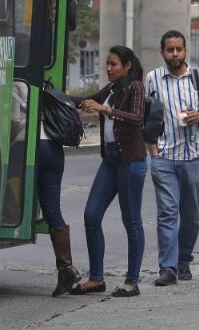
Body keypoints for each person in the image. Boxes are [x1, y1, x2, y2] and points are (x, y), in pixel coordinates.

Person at [69, 46, 148, 297]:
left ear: (127, 66)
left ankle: (132, 281)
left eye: (114, 64)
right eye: (107, 64)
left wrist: (105, 109)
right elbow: (85, 101)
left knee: (131, 221)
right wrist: (53, 95)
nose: (109, 68)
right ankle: (96, 278)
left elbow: (137, 118)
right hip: (110, 161)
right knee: (91, 216)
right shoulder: (111, 89)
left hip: (131, 162)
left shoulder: (135, 86)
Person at [146, 30, 199, 286]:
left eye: (179, 49)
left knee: (191, 215)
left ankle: (183, 260)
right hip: (164, 157)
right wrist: (153, 153)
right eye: (170, 50)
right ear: (163, 52)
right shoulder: (153, 79)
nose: (175, 54)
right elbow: (147, 118)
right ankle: (167, 268)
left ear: (185, 50)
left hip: (195, 157)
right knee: (167, 213)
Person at [37, 121, 80, 296]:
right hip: (54, 149)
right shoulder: (47, 92)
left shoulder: (20, 91)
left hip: (33, 145)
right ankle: (66, 269)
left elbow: (16, 120)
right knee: (52, 210)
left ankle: (67, 270)